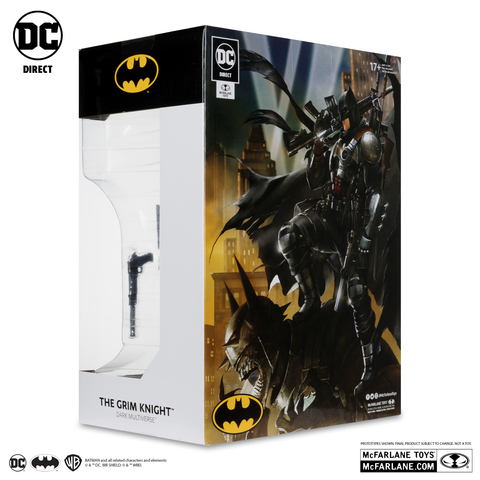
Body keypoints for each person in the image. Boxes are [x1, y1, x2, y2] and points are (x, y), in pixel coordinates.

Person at [278, 87, 383, 396]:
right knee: (288, 236)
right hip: (328, 217)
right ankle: (311, 298)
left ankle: (371, 361)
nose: (341, 123)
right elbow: (315, 180)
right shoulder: (338, 141)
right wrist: (319, 150)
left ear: (350, 116)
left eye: (343, 118)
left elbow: (376, 194)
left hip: (351, 229)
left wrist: (365, 236)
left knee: (355, 293)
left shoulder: (366, 141)